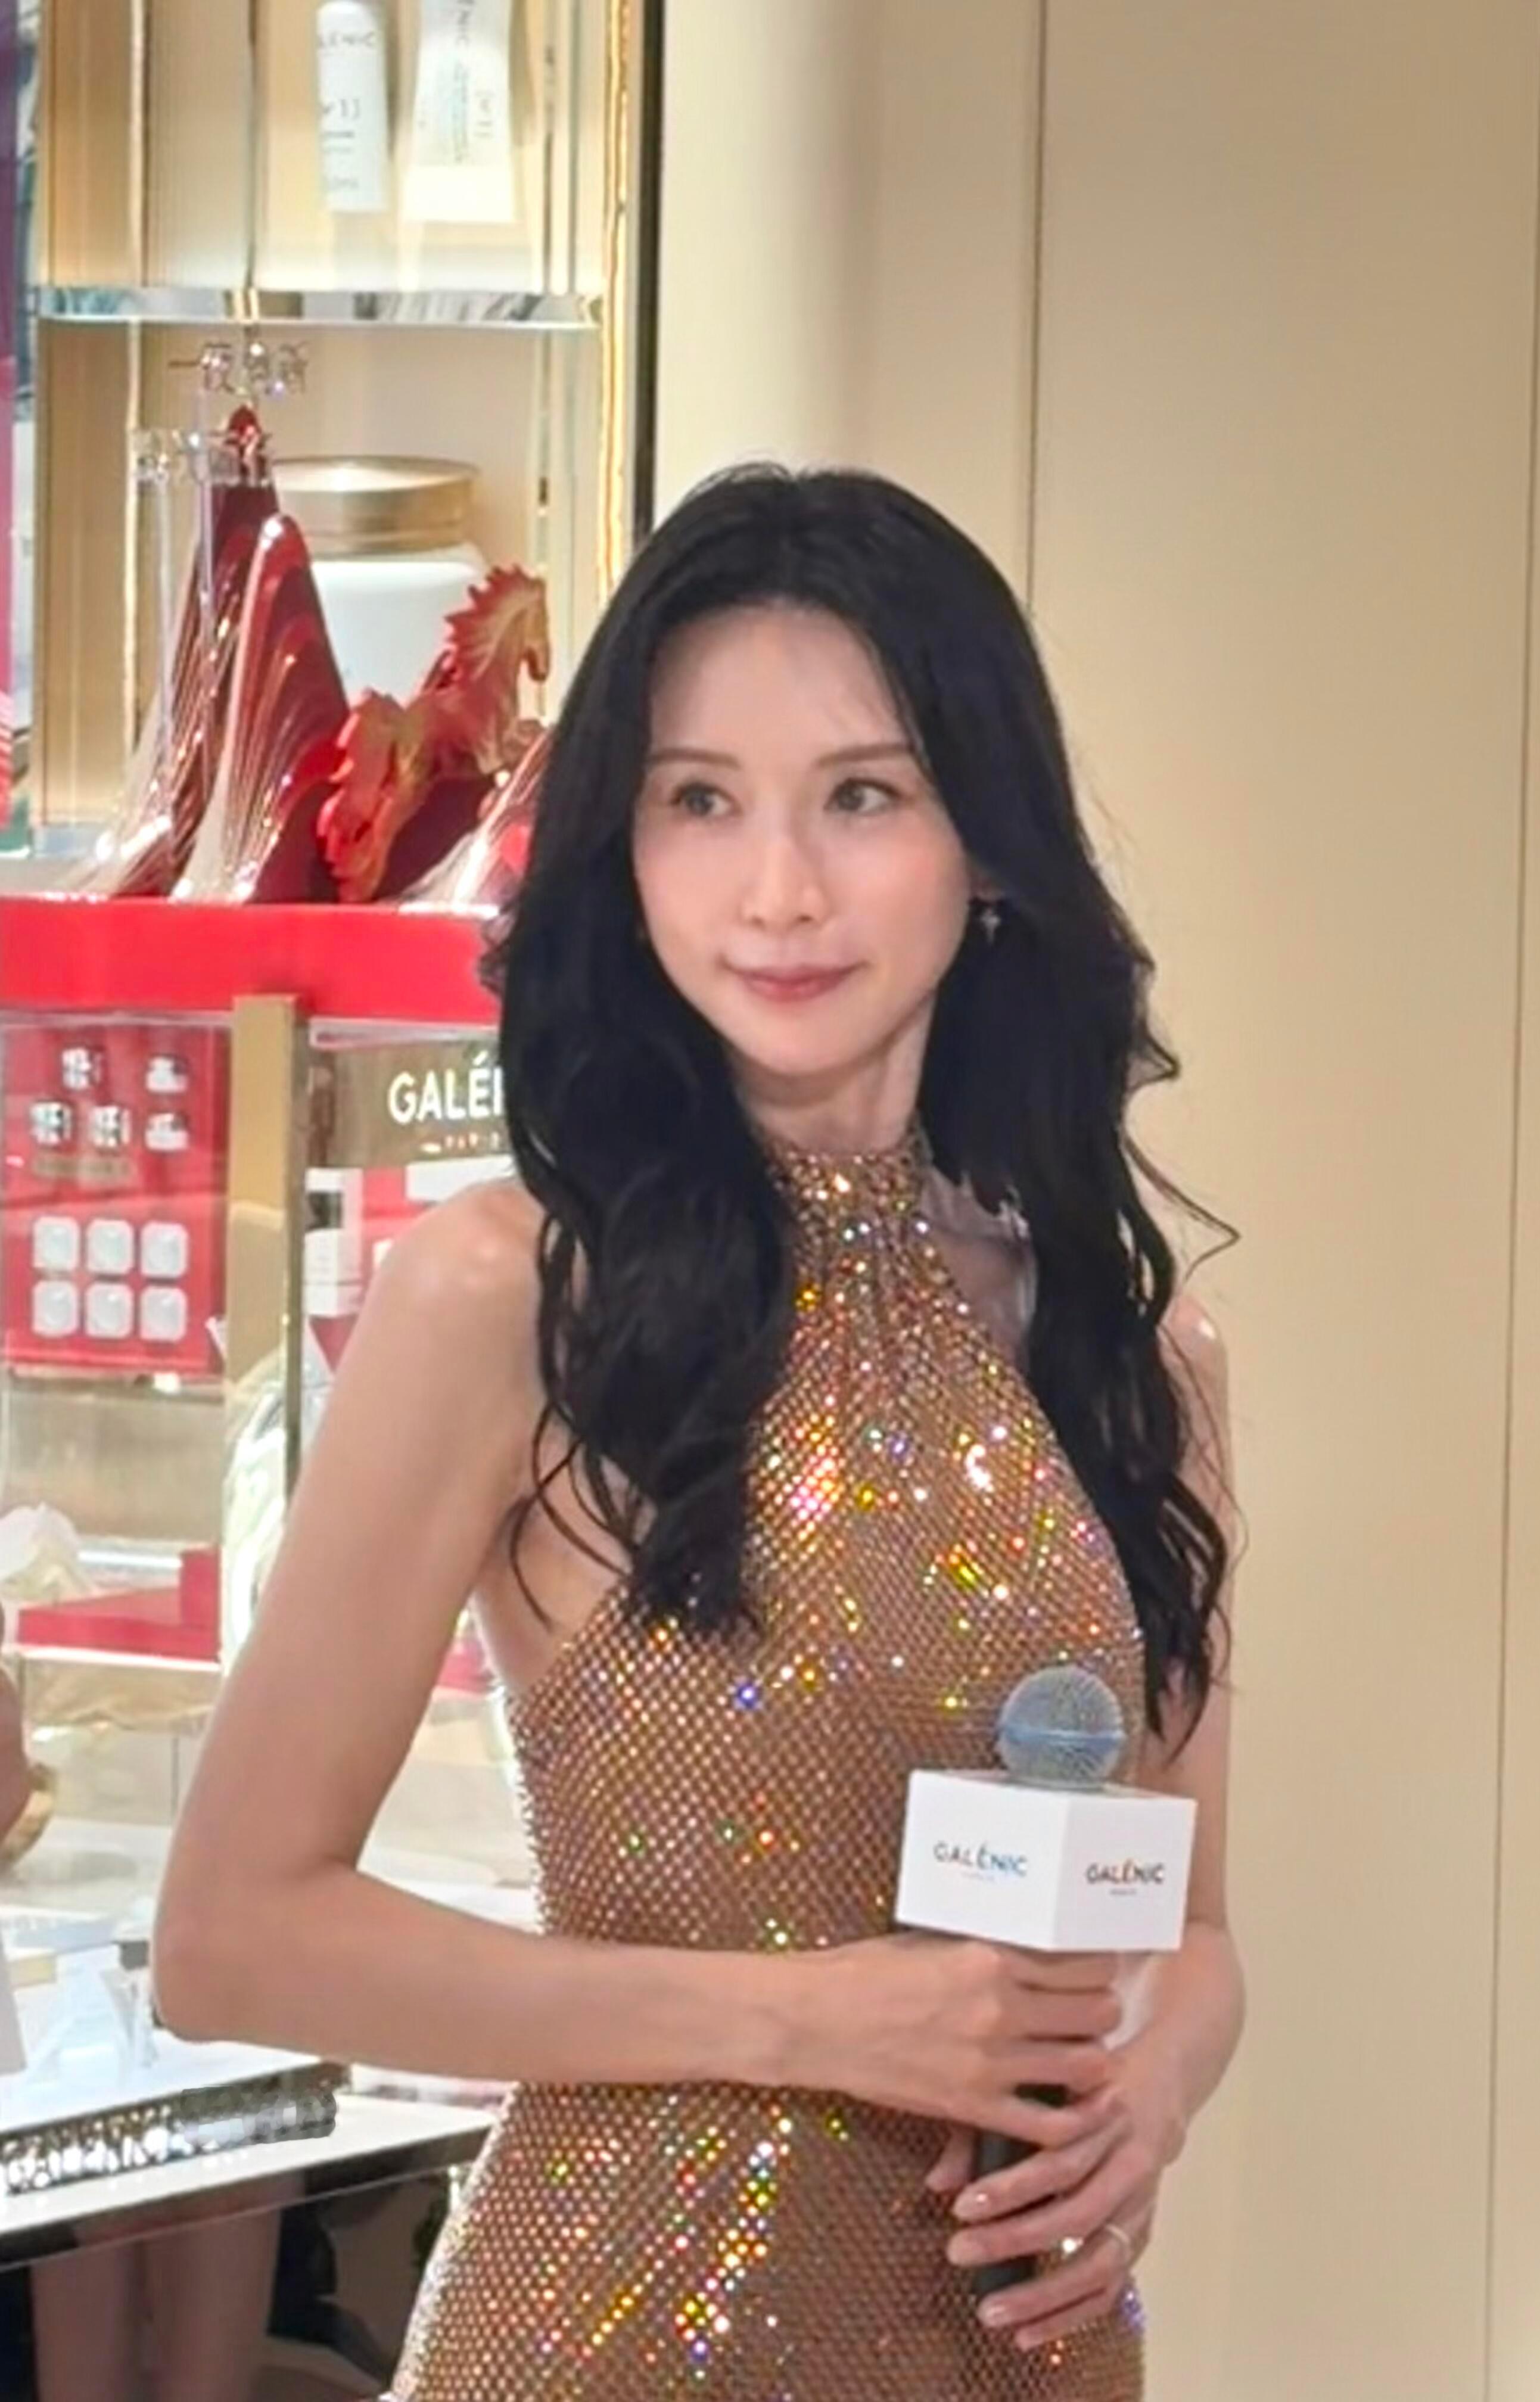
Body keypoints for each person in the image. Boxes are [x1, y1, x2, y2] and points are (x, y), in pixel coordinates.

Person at [152, 466, 1246, 2400]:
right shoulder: (514, 1297)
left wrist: (1154, 2082)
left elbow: (1194, 1928)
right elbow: (233, 1938)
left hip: (1026, 2346)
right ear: (625, 850)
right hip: (613, 2333)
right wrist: (808, 2024)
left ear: (990, 848)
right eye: (700, 801)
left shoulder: (1133, 1352)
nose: (778, 893)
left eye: (863, 797)